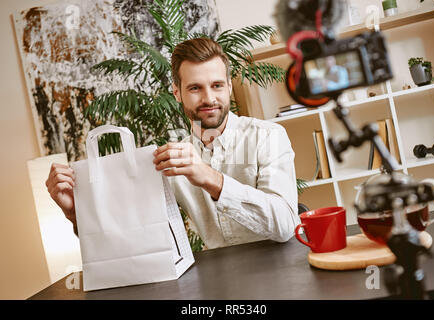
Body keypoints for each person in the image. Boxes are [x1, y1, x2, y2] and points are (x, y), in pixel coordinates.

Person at [46, 38, 299, 250]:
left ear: (229, 87)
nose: (209, 98)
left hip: (282, 273)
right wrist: (74, 214)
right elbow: (135, 237)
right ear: (177, 93)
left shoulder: (269, 136)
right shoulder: (169, 161)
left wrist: (209, 178)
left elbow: (285, 224)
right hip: (220, 283)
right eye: (195, 88)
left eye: (217, 85)